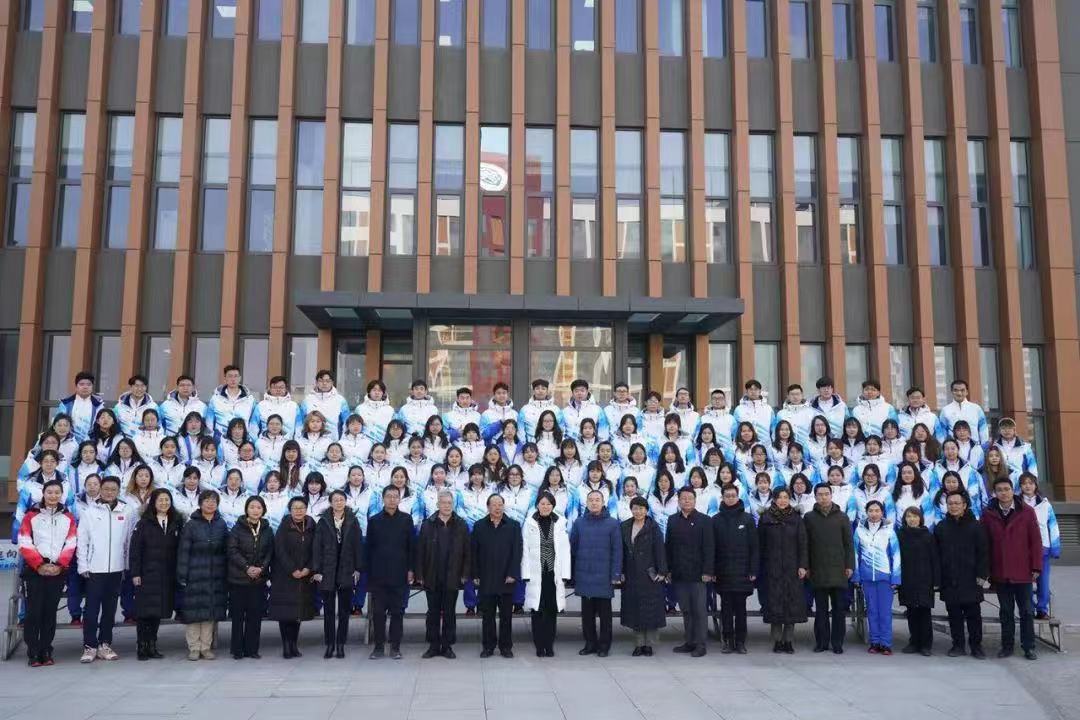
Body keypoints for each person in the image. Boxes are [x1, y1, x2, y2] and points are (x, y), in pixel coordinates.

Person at [982, 476, 1042, 660]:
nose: (1004, 493)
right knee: (1006, 611)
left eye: (1006, 489)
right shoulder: (988, 514)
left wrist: (1036, 567)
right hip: (1000, 571)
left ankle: (1028, 646)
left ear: (1012, 490)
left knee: (1026, 611)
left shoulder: (1027, 511)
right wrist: (987, 571)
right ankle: (1007, 646)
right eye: (999, 490)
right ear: (994, 493)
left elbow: (1036, 541)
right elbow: (985, 544)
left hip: (1023, 570)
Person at [18, 479, 77, 667]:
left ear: (61, 495)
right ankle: (33, 651)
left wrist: (60, 565)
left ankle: (46, 649)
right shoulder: (31, 515)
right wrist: (39, 564)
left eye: (57, 492)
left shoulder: (68, 517)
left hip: (57, 571)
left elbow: (71, 542)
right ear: (43, 494)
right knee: (34, 612)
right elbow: (24, 541)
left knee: (50, 612)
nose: (53, 496)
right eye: (49, 492)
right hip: (34, 571)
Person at [76, 476, 133, 663]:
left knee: (109, 611)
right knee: (91, 611)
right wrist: (83, 565)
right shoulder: (90, 512)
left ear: (118, 491)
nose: (109, 492)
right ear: (100, 490)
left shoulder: (125, 511)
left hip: (116, 570)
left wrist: (126, 565)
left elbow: (128, 541)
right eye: (106, 489)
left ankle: (104, 644)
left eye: (113, 489)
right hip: (94, 570)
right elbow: (82, 541)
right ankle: (89, 646)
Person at [415, 489, 471, 659]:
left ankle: (447, 646)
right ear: (437, 504)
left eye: (449, 503)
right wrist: (420, 574)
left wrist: (465, 573)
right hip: (432, 575)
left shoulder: (461, 524)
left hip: (453, 575)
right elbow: (420, 551)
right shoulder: (428, 524)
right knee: (432, 612)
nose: (446, 506)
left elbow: (467, 552)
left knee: (449, 612)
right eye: (443, 503)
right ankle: (433, 645)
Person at [128, 488, 182, 661]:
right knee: (144, 613)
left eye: (167, 500)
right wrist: (135, 573)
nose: (164, 503)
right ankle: (142, 646)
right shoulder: (144, 523)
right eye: (160, 500)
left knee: (157, 612)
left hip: (166, 575)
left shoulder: (175, 522)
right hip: (147, 574)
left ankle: (152, 645)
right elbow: (135, 550)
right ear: (153, 503)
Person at [934, 490, 989, 658]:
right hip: (949, 579)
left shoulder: (976, 526)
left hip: (971, 578)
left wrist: (982, 575)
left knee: (974, 615)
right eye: (950, 503)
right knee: (954, 615)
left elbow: (984, 553)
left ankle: (976, 646)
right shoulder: (941, 527)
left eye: (957, 503)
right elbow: (936, 554)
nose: (954, 506)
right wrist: (938, 578)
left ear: (964, 505)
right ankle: (957, 645)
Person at [176, 489, 229, 661]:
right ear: (200, 503)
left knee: (209, 613)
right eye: (207, 500)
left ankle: (206, 647)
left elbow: (227, 550)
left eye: (214, 501)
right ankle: (194, 647)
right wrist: (182, 574)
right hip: (195, 573)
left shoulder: (221, 524)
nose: (210, 504)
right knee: (194, 613)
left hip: (215, 574)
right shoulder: (191, 525)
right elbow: (183, 551)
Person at [312, 489, 365, 658]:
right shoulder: (323, 521)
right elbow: (317, 547)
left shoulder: (353, 520)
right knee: (328, 612)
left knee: (344, 612)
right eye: (335, 500)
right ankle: (329, 644)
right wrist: (317, 570)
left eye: (341, 500)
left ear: (345, 502)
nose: (339, 503)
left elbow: (358, 545)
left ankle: (341, 644)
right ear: (330, 502)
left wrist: (358, 568)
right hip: (327, 570)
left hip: (346, 570)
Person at [570, 490, 623, 657]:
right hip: (585, 574)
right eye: (591, 500)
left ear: (603, 502)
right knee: (587, 615)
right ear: (586, 503)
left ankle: (604, 645)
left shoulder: (613, 524)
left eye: (597, 500)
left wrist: (616, 574)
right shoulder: (579, 523)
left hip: (604, 576)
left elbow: (617, 551)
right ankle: (590, 643)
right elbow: (573, 548)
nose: (594, 503)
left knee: (605, 615)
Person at [803, 483, 854, 654]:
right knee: (821, 610)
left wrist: (849, 565)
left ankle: (837, 643)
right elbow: (805, 544)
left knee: (839, 610)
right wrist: (806, 566)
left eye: (826, 494)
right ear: (815, 496)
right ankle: (822, 642)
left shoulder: (842, 517)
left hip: (839, 570)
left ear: (831, 495)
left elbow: (849, 544)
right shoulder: (809, 518)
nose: (823, 497)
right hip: (818, 570)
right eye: (820, 494)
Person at [366, 485, 416, 659]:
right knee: (378, 613)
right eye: (389, 496)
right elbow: (369, 549)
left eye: (395, 496)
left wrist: (411, 569)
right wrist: (369, 573)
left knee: (397, 613)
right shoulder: (374, 520)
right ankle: (378, 647)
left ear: (399, 499)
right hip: (378, 575)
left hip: (399, 574)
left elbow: (411, 547)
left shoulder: (406, 519)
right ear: (383, 498)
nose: (392, 499)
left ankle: (395, 647)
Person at [470, 494, 523, 658]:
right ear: (488, 507)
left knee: (506, 616)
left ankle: (506, 647)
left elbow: (517, 552)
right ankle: (488, 646)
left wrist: (513, 573)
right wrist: (475, 574)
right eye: (494, 505)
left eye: (500, 504)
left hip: (506, 578)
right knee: (488, 616)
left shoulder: (513, 526)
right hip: (486, 578)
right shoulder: (479, 526)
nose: (497, 507)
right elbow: (474, 552)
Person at [664, 487, 714, 657]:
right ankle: (690, 641)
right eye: (683, 498)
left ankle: (700, 644)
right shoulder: (672, 520)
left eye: (690, 498)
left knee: (699, 610)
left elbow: (709, 547)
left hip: (698, 574)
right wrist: (668, 570)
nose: (686, 501)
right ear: (678, 501)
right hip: (679, 573)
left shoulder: (704, 520)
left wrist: (708, 571)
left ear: (695, 500)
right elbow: (669, 546)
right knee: (686, 609)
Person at [521, 492, 572, 657]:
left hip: (553, 573)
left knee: (551, 610)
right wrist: (525, 572)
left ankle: (549, 645)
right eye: (542, 504)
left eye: (549, 504)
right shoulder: (529, 522)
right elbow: (525, 549)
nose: (545, 507)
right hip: (536, 573)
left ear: (553, 506)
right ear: (537, 505)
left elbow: (565, 550)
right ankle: (539, 645)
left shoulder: (560, 522)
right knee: (537, 610)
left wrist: (565, 573)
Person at [758, 487, 808, 653]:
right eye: (779, 497)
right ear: (774, 499)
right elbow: (760, 545)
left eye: (786, 497)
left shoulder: (796, 518)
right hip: (772, 569)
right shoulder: (766, 518)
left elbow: (803, 544)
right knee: (775, 605)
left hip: (792, 569)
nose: (783, 500)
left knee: (791, 605)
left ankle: (789, 641)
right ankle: (777, 640)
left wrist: (803, 565)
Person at [619, 496, 668, 656]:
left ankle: (649, 645)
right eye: (635, 508)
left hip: (649, 574)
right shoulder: (625, 526)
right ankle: (639, 644)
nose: (638, 511)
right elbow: (621, 551)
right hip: (631, 574)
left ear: (646, 510)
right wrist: (620, 571)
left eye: (641, 508)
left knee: (650, 610)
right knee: (635, 611)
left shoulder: (653, 527)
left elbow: (660, 550)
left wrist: (662, 571)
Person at [711, 484, 757, 655]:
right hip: (723, 572)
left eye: (733, 495)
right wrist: (712, 571)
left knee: (741, 610)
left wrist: (753, 570)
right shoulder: (715, 520)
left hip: (743, 572)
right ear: (722, 498)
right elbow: (712, 548)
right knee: (726, 610)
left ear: (738, 497)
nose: (730, 498)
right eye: (727, 496)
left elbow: (754, 547)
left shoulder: (747, 519)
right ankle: (727, 641)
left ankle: (740, 642)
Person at [226, 496, 274, 660]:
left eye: (259, 507)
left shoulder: (267, 529)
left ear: (263, 510)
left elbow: (270, 552)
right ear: (246, 509)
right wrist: (247, 567)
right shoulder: (237, 528)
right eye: (252, 507)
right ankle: (237, 650)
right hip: (239, 578)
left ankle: (252, 649)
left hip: (258, 579)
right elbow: (232, 551)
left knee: (255, 616)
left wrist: (262, 568)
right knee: (238, 616)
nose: (255, 510)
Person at [269, 497, 316, 659]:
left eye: (301, 507)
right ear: (290, 510)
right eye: (295, 508)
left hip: (304, 576)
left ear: (306, 509)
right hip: (285, 576)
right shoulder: (284, 526)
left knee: (298, 613)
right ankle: (286, 646)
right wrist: (292, 569)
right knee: (285, 613)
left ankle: (294, 645)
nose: (299, 511)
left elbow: (316, 549)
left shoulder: (311, 526)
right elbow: (280, 550)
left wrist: (308, 568)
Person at [853, 500, 901, 654]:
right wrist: (857, 576)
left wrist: (896, 578)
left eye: (877, 511)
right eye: (871, 511)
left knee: (885, 612)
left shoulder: (890, 530)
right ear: (866, 512)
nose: (874, 514)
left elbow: (896, 555)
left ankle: (885, 643)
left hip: (885, 577)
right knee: (872, 611)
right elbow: (855, 554)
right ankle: (874, 642)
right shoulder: (859, 530)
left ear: (882, 512)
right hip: (867, 577)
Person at [896, 506, 939, 656]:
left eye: (915, 516)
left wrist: (936, 580)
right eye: (909, 516)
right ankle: (914, 642)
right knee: (911, 612)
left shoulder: (928, 536)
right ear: (904, 519)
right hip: (907, 579)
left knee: (924, 612)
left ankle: (926, 645)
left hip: (924, 579)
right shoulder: (900, 536)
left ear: (920, 518)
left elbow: (935, 559)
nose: (912, 519)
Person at [1019, 474, 1060, 619]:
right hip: (1022, 549)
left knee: (1043, 581)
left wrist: (1055, 547)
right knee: (1025, 581)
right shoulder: (1016, 503)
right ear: (1020, 486)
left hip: (1043, 547)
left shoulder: (1045, 504)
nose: (1028, 486)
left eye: (1031, 483)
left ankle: (1042, 609)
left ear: (1036, 485)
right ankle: (1028, 608)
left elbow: (1053, 526)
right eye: (1024, 483)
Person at [54, 371, 105, 443]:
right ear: (76, 386)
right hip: (68, 443)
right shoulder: (65, 404)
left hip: (91, 444)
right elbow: (57, 424)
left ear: (92, 387)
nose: (85, 387)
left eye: (89, 384)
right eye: (81, 384)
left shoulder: (98, 405)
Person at [301, 369, 352, 439]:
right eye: (321, 381)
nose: (324, 383)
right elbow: (302, 423)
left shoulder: (340, 400)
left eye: (328, 381)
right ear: (316, 382)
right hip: (311, 440)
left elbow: (347, 422)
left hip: (334, 440)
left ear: (332, 383)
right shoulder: (307, 400)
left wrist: (343, 440)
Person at [936, 379, 990, 444]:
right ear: (952, 392)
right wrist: (944, 446)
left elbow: (983, 428)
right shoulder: (945, 410)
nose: (959, 393)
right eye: (956, 390)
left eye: (962, 390)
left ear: (967, 392)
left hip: (974, 447)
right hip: (954, 448)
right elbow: (941, 432)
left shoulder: (976, 409)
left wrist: (984, 445)